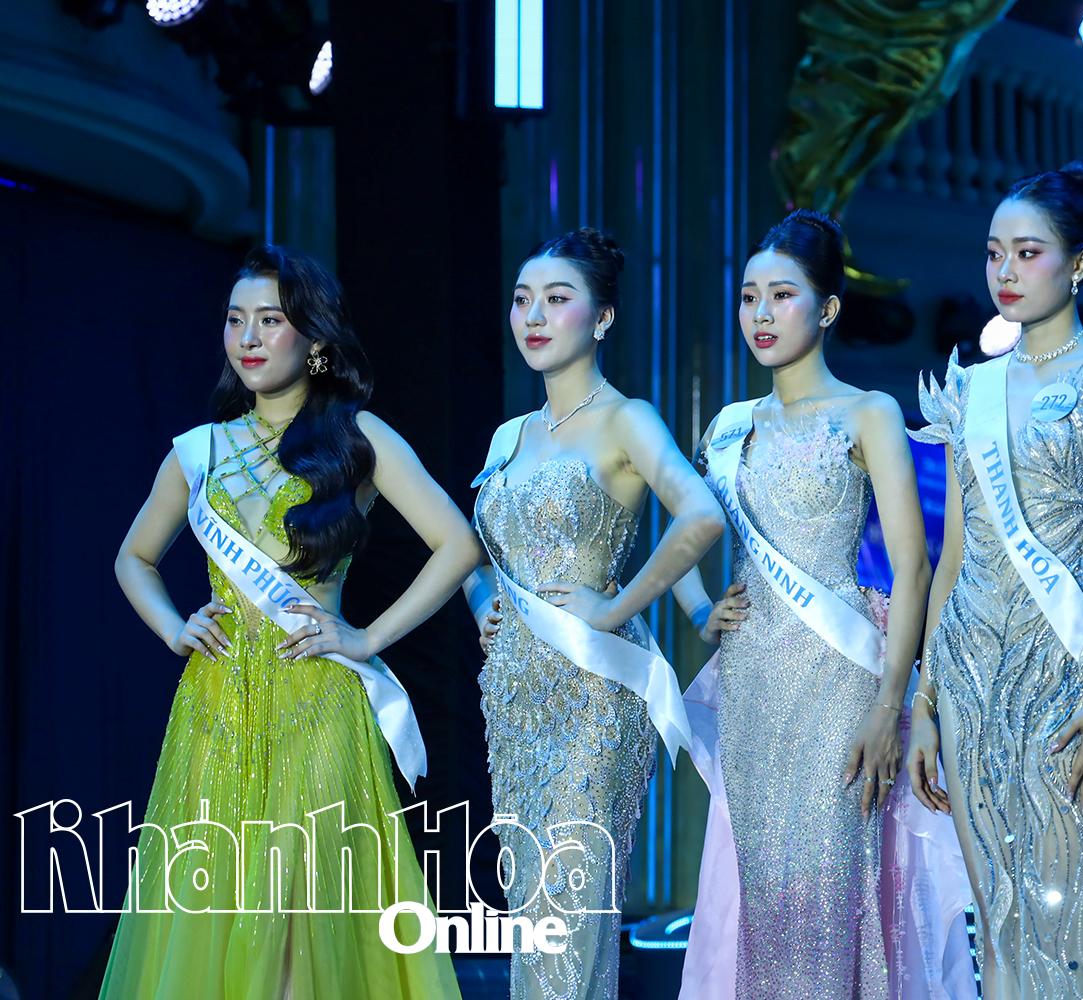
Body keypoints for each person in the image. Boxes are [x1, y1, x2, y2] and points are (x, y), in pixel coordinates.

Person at [104, 244, 475, 998]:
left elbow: (458, 545)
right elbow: (133, 559)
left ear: (314, 338)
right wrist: (174, 627)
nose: (247, 337)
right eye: (235, 319)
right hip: (217, 711)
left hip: (318, 705)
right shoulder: (199, 451)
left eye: (270, 320)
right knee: (216, 911)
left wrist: (368, 638)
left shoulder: (357, 440)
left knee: (304, 926)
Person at [907, 160, 1083, 998]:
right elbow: (951, 557)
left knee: (1070, 916)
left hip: (1069, 669)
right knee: (995, 917)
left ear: (1081, 263)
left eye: (1028, 253)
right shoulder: (970, 390)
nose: (1006, 270)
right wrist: (923, 702)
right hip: (966, 669)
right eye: (995, 252)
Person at [676, 209, 938, 999]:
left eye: (781, 295)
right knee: (765, 896)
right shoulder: (730, 427)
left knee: (827, 893)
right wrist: (697, 607)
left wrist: (889, 703)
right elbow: (678, 528)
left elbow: (913, 566)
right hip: (752, 682)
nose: (760, 312)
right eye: (749, 295)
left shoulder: (869, 412)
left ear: (826, 309)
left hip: (839, 681)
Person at [466, 228, 723, 999]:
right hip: (513, 696)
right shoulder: (509, 436)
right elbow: (479, 555)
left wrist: (614, 607)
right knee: (533, 910)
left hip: (593, 696)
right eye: (522, 300)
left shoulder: (625, 418)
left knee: (572, 905)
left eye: (557, 299)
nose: (533, 316)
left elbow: (699, 515)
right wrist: (482, 602)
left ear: (602, 318)